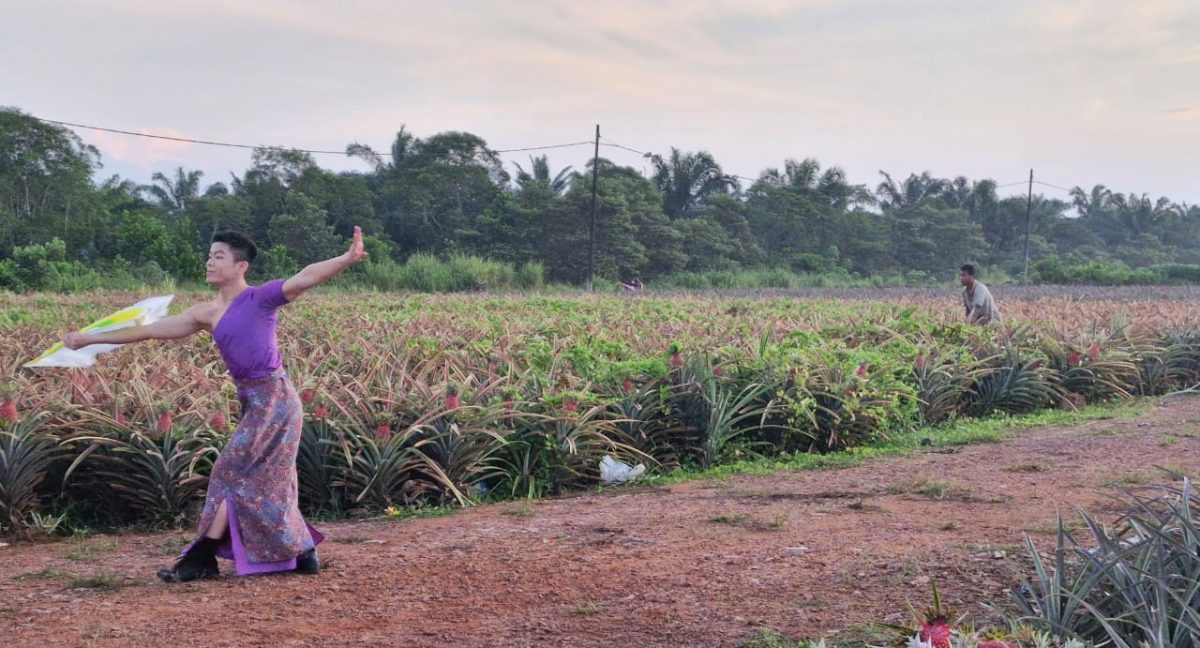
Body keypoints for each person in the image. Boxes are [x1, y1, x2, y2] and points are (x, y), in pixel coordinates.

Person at [63, 227, 367, 582]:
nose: (209, 261)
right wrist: (87, 339)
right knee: (271, 481)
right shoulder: (205, 314)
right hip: (252, 401)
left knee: (230, 472)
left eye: (218, 256)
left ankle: (202, 558)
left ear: (242, 266)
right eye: (209, 255)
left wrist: (347, 259)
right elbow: (148, 330)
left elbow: (305, 277)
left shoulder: (260, 299)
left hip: (276, 399)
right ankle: (302, 553)